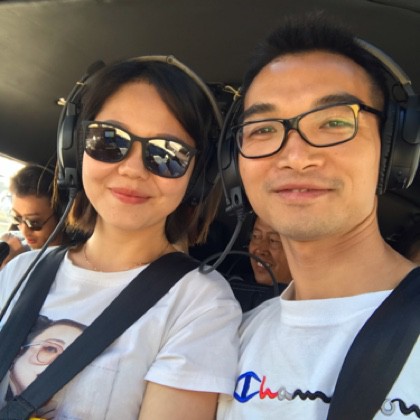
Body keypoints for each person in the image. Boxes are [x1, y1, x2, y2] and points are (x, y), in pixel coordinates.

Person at [0, 57, 241, 419]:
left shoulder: (201, 304)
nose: (132, 168)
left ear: (197, 177)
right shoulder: (20, 272)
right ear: (74, 148)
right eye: (109, 140)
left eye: (167, 153)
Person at [217, 14, 419, 419]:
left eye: (334, 122)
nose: (295, 157)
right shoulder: (229, 339)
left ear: (393, 151)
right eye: (263, 129)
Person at [248, 215, 291, 287]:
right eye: (256, 236)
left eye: (273, 240)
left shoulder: (309, 293)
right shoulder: (232, 288)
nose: (261, 250)